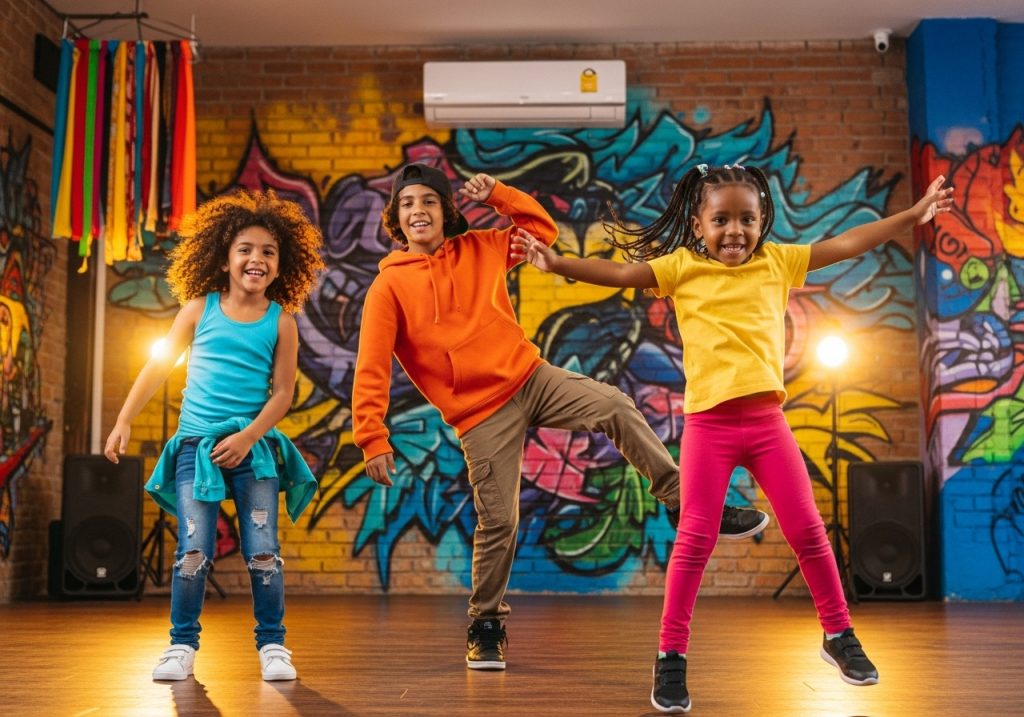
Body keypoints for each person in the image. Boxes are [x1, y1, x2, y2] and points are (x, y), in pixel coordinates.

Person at [512, 163, 953, 711]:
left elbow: (845, 243)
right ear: (698, 225)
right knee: (694, 542)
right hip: (709, 428)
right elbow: (620, 275)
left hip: (767, 424)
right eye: (721, 219)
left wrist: (911, 216)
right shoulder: (680, 268)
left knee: (810, 532)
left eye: (747, 218)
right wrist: (557, 264)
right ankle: (671, 657)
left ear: (763, 219)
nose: (735, 231)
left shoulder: (778, 261)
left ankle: (838, 635)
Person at [351, 162, 769, 671]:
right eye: (409, 203)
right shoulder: (388, 288)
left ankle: (679, 498)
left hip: (531, 377)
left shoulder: (481, 248)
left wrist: (500, 193)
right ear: (397, 216)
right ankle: (486, 624)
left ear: (446, 212)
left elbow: (541, 231)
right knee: (500, 521)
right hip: (479, 414)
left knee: (615, 405)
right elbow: (371, 365)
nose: (419, 210)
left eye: (430, 201)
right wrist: (372, 437)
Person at [104, 190, 324, 682]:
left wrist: (248, 437)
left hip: (253, 449)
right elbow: (157, 367)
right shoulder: (196, 310)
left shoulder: (281, 321)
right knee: (193, 551)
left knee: (262, 549)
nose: (257, 259)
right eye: (246, 249)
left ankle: (273, 645)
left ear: (280, 264)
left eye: (268, 252)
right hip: (195, 449)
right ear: (224, 258)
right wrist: (123, 419)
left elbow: (283, 394)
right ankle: (181, 646)